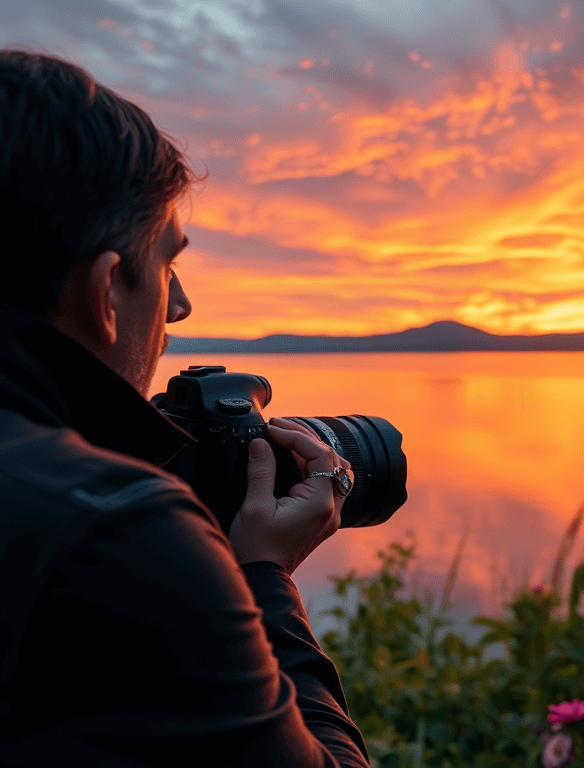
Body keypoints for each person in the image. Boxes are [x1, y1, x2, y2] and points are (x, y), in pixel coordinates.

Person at [0, 50, 371, 767]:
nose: (180, 305)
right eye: (170, 263)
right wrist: (264, 575)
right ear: (108, 291)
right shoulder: (113, 529)